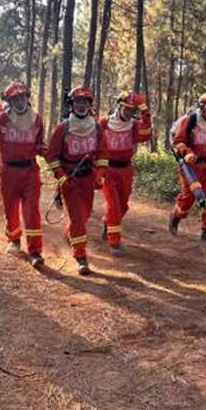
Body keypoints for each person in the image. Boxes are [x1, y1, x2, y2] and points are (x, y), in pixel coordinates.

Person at [0, 81, 46, 267]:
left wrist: (47, 153)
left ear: (28, 97)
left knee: (31, 211)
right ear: (10, 101)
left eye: (22, 97)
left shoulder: (37, 119)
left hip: (30, 171)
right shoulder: (1, 120)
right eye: (15, 98)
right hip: (8, 171)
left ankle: (35, 252)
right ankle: (15, 240)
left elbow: (41, 144)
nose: (19, 101)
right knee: (10, 210)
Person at [46, 85, 108, 275]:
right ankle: (81, 257)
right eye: (77, 102)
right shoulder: (63, 128)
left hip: (87, 178)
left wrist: (99, 175)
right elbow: (51, 156)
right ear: (71, 105)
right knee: (78, 218)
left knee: (85, 214)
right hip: (70, 180)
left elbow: (103, 154)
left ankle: (69, 235)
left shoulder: (96, 128)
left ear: (90, 105)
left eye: (85, 102)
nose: (81, 106)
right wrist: (61, 176)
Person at [98, 92, 153, 254]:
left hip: (126, 169)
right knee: (113, 205)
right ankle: (114, 241)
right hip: (107, 169)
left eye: (132, 110)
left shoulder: (134, 125)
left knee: (123, 205)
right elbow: (93, 141)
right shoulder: (104, 123)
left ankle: (108, 223)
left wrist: (145, 111)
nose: (129, 112)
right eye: (126, 109)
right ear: (119, 106)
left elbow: (146, 135)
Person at [168, 91, 206, 241]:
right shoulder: (189, 121)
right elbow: (178, 141)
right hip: (190, 166)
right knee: (188, 198)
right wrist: (186, 152)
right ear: (202, 108)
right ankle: (176, 215)